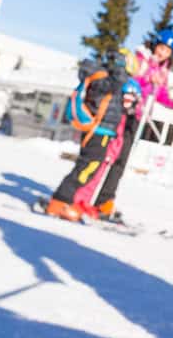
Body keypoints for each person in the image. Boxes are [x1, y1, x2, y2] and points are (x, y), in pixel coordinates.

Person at [89, 29, 173, 220]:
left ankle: (104, 201)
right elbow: (130, 80)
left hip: (138, 118)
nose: (163, 53)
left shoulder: (163, 70)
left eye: (168, 51)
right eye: (162, 48)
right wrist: (147, 79)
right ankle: (87, 196)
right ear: (155, 45)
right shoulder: (141, 59)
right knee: (108, 155)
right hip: (124, 113)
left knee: (121, 161)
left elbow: (161, 95)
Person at [46, 51, 141, 222]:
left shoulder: (105, 78)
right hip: (99, 130)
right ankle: (60, 202)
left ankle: (64, 202)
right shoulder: (103, 78)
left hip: (103, 131)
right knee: (86, 169)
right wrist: (119, 69)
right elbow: (113, 86)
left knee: (87, 168)